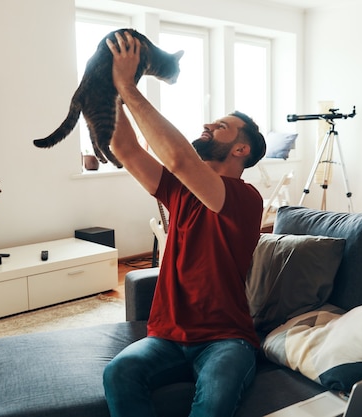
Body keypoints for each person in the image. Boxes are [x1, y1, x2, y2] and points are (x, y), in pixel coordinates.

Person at [103, 31, 267, 417]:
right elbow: (124, 149)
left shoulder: (244, 198)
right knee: (118, 372)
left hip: (227, 340)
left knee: (214, 402)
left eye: (222, 126)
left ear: (241, 149)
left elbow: (178, 159)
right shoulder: (178, 190)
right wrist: (109, 88)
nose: (209, 125)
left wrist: (128, 85)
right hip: (165, 336)